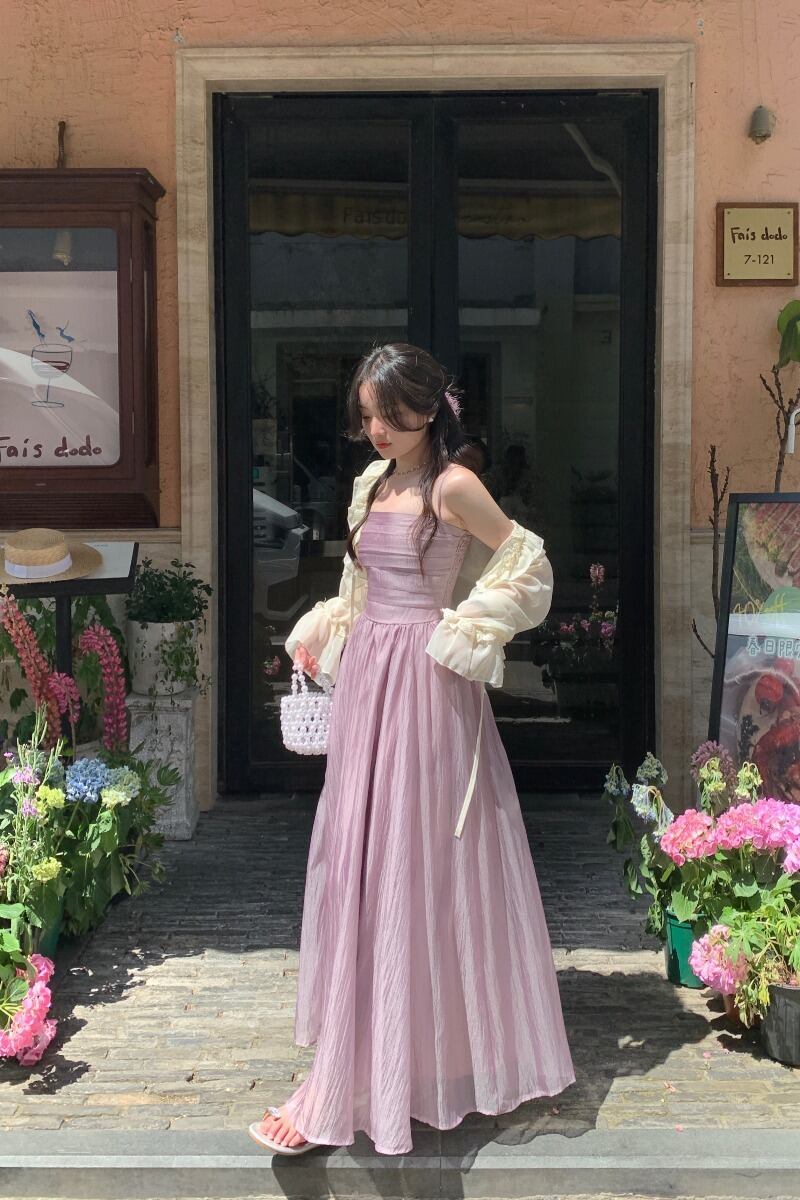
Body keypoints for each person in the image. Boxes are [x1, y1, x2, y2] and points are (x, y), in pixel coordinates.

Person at [248, 343, 575, 1157]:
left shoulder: (452, 485)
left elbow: (529, 565)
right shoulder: (372, 482)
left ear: (429, 409)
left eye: (391, 414)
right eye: (367, 416)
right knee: (362, 861)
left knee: (419, 861)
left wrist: (468, 629)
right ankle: (373, 1064)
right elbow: (360, 589)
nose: (377, 430)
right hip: (371, 681)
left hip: (428, 684)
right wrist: (327, 629)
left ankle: (410, 1069)